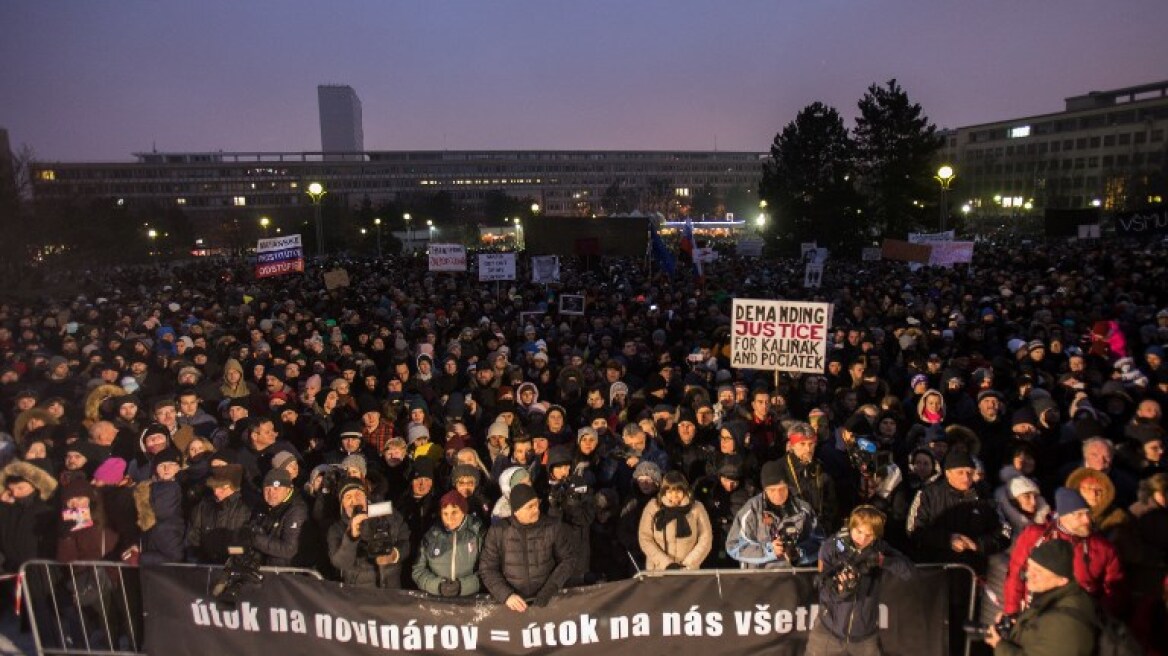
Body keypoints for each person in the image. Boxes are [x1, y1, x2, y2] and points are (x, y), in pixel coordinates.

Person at [807, 506, 915, 656]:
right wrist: (842, 590)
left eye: (869, 535)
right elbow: (823, 588)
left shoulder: (879, 548)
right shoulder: (831, 547)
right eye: (859, 532)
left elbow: (909, 572)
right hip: (828, 632)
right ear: (851, 527)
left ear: (876, 536)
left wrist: (883, 561)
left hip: (865, 636)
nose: (862, 539)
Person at [1002, 487, 1125, 617]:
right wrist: (1012, 613)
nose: (1087, 520)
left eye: (1088, 513)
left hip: (1079, 622)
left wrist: (1097, 618)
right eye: (1079, 515)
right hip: (1035, 616)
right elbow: (1016, 574)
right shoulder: (1035, 536)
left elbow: (1115, 591)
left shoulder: (1103, 549)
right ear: (1063, 516)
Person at [984, 540, 1098, 656]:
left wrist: (1000, 646)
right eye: (1029, 567)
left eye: (1038, 571)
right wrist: (1016, 626)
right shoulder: (1051, 598)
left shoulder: (1066, 622)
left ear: (1062, 580)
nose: (1028, 574)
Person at [479, 483, 578, 612]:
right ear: (516, 511)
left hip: (548, 601)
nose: (536, 510)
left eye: (537, 504)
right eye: (530, 507)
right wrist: (506, 595)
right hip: (511, 605)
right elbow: (487, 568)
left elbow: (568, 559)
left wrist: (549, 590)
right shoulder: (499, 531)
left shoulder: (552, 526)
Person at [726, 460, 823, 568]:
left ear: (788, 487)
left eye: (782, 489)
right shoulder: (752, 510)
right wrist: (769, 550)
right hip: (758, 579)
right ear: (764, 490)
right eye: (772, 490)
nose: (778, 495)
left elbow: (820, 543)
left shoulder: (804, 509)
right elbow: (733, 546)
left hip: (794, 578)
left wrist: (800, 553)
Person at [327, 478, 410, 588]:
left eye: (358, 494)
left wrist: (394, 554)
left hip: (391, 589)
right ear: (342, 503)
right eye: (348, 497)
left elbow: (405, 541)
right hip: (360, 594)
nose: (354, 500)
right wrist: (351, 537)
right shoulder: (336, 529)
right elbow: (340, 563)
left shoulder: (388, 514)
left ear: (366, 497)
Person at [412, 490, 483, 597]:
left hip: (470, 600)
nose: (449, 518)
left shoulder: (477, 533)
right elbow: (418, 570)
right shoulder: (431, 535)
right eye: (445, 513)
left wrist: (462, 587)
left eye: (454, 512)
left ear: (463, 512)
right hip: (437, 599)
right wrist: (438, 586)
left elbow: (487, 572)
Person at [638, 471, 713, 571]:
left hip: (688, 571)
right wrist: (666, 564)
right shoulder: (654, 507)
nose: (674, 496)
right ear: (664, 492)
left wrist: (688, 565)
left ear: (685, 491)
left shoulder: (696, 508)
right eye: (669, 492)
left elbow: (705, 538)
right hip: (659, 570)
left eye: (678, 491)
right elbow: (645, 538)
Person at [249, 467, 309, 567]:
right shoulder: (262, 507)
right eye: (267, 488)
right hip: (265, 569)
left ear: (288, 489)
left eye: (276, 488)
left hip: (288, 573)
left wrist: (254, 538)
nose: (271, 493)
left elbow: (289, 549)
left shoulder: (297, 510)